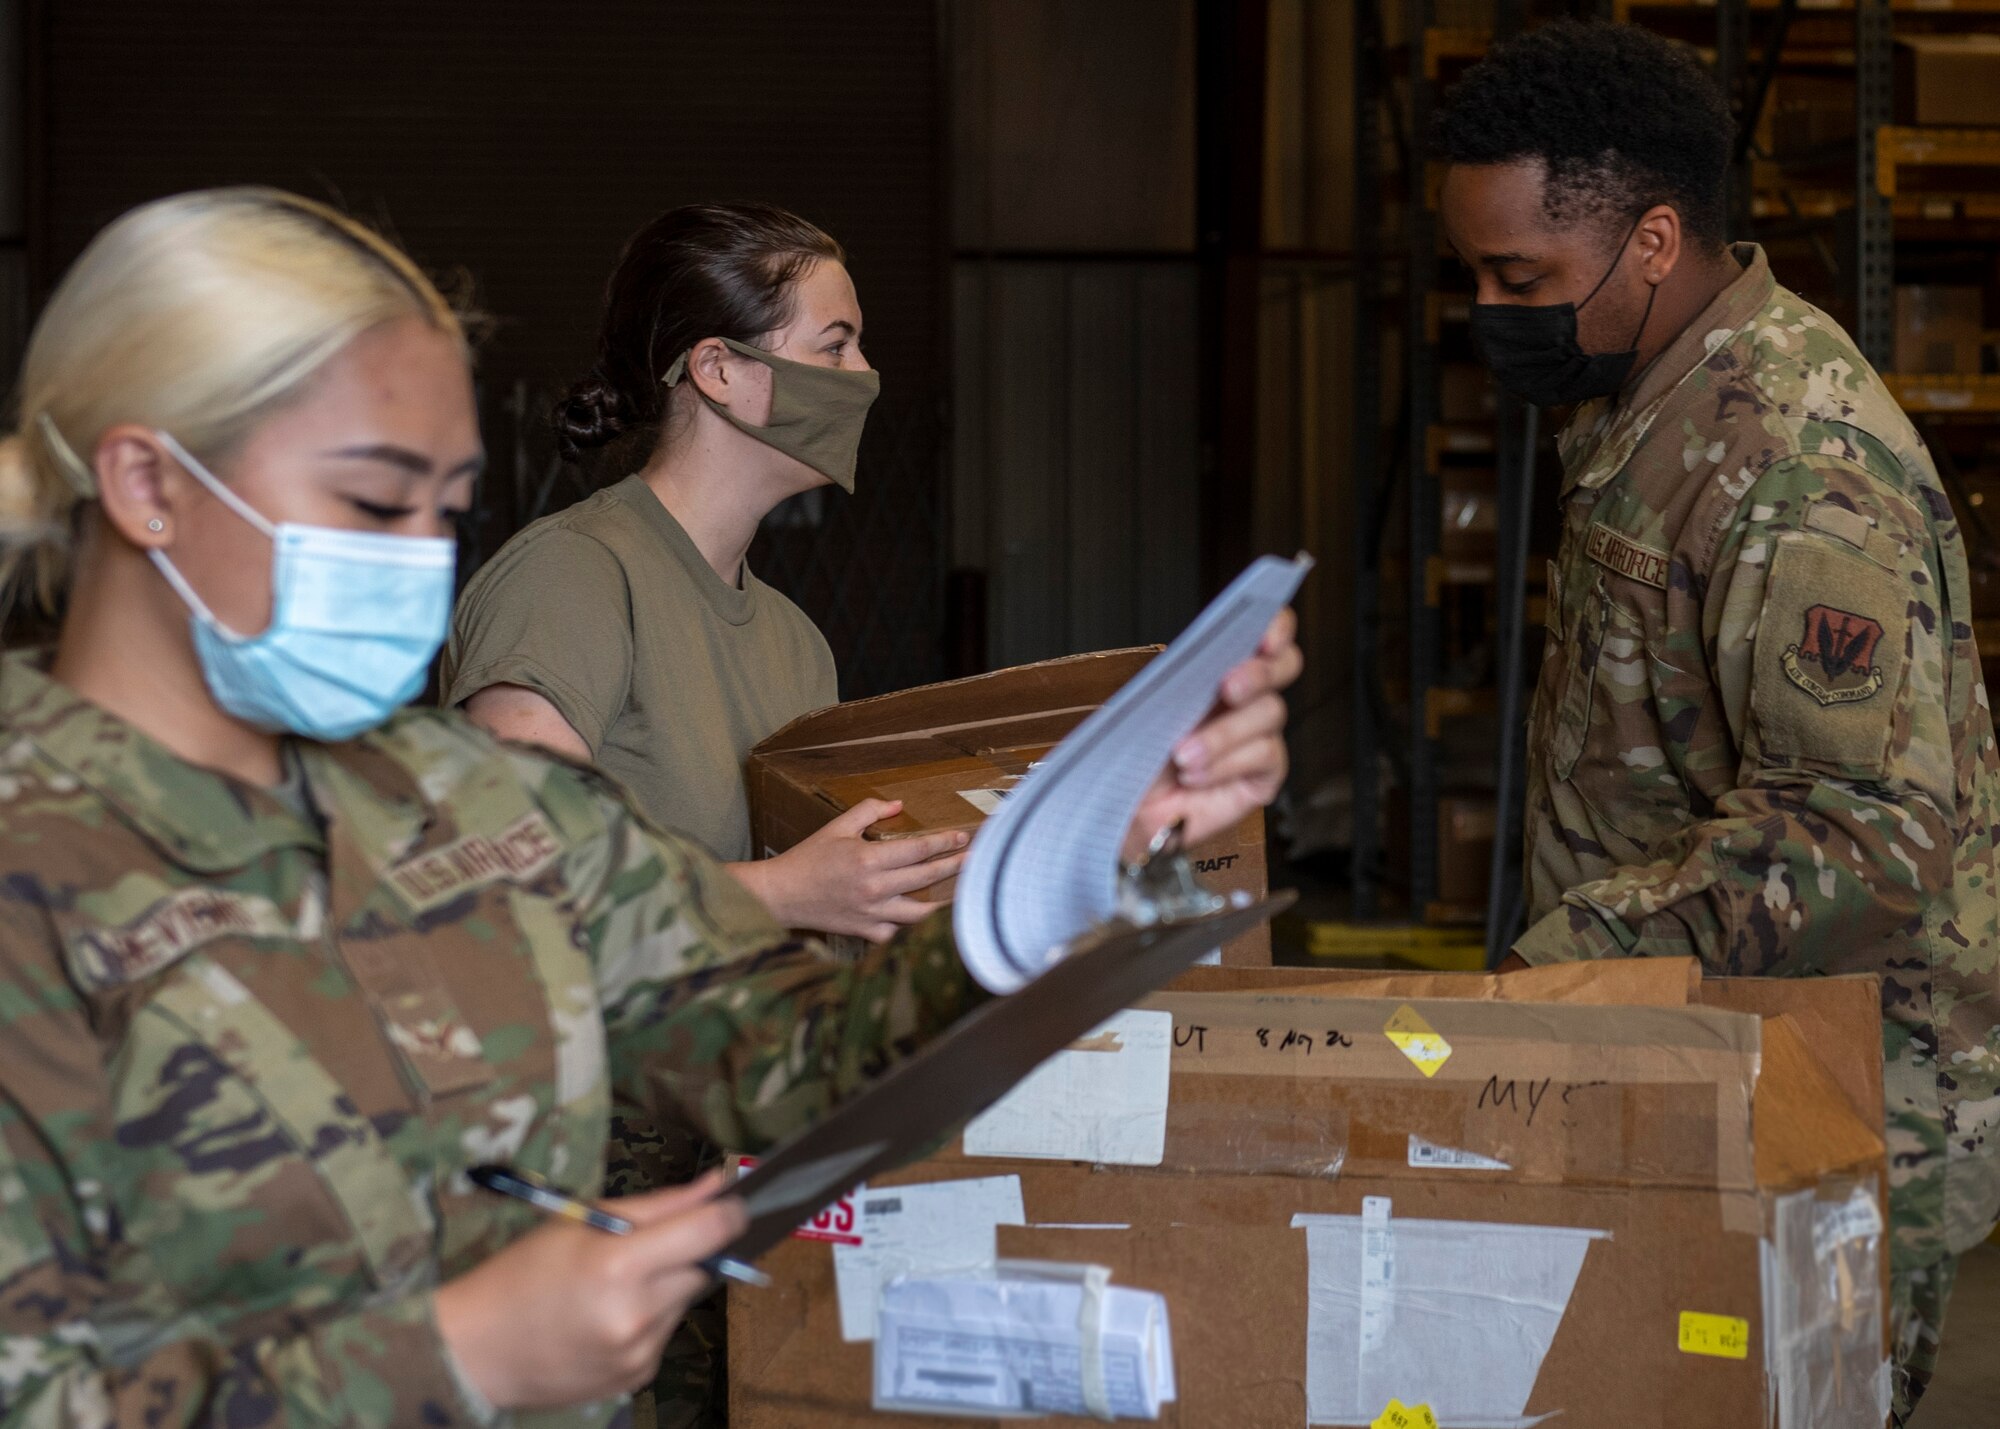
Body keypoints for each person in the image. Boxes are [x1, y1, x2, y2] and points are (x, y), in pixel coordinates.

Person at [0, 187, 1299, 1427]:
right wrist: (462, 1353)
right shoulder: (35, 860)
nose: (413, 560)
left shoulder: (463, 805)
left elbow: (786, 1058)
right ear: (148, 484)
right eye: (369, 502)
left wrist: (1078, 855)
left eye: (444, 511)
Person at [1437, 21, 2000, 1425]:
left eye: (1523, 278)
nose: (1493, 310)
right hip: (1695, 1044)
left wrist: (1562, 965)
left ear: (1652, 239)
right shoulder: (1656, 398)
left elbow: (1862, 836)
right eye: (1476, 274)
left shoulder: (1796, 460)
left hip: (1833, 1087)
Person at [443, 202, 963, 947]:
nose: (866, 375)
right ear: (718, 370)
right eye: (835, 347)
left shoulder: (797, 641)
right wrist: (785, 893)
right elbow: (513, 873)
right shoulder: (574, 575)